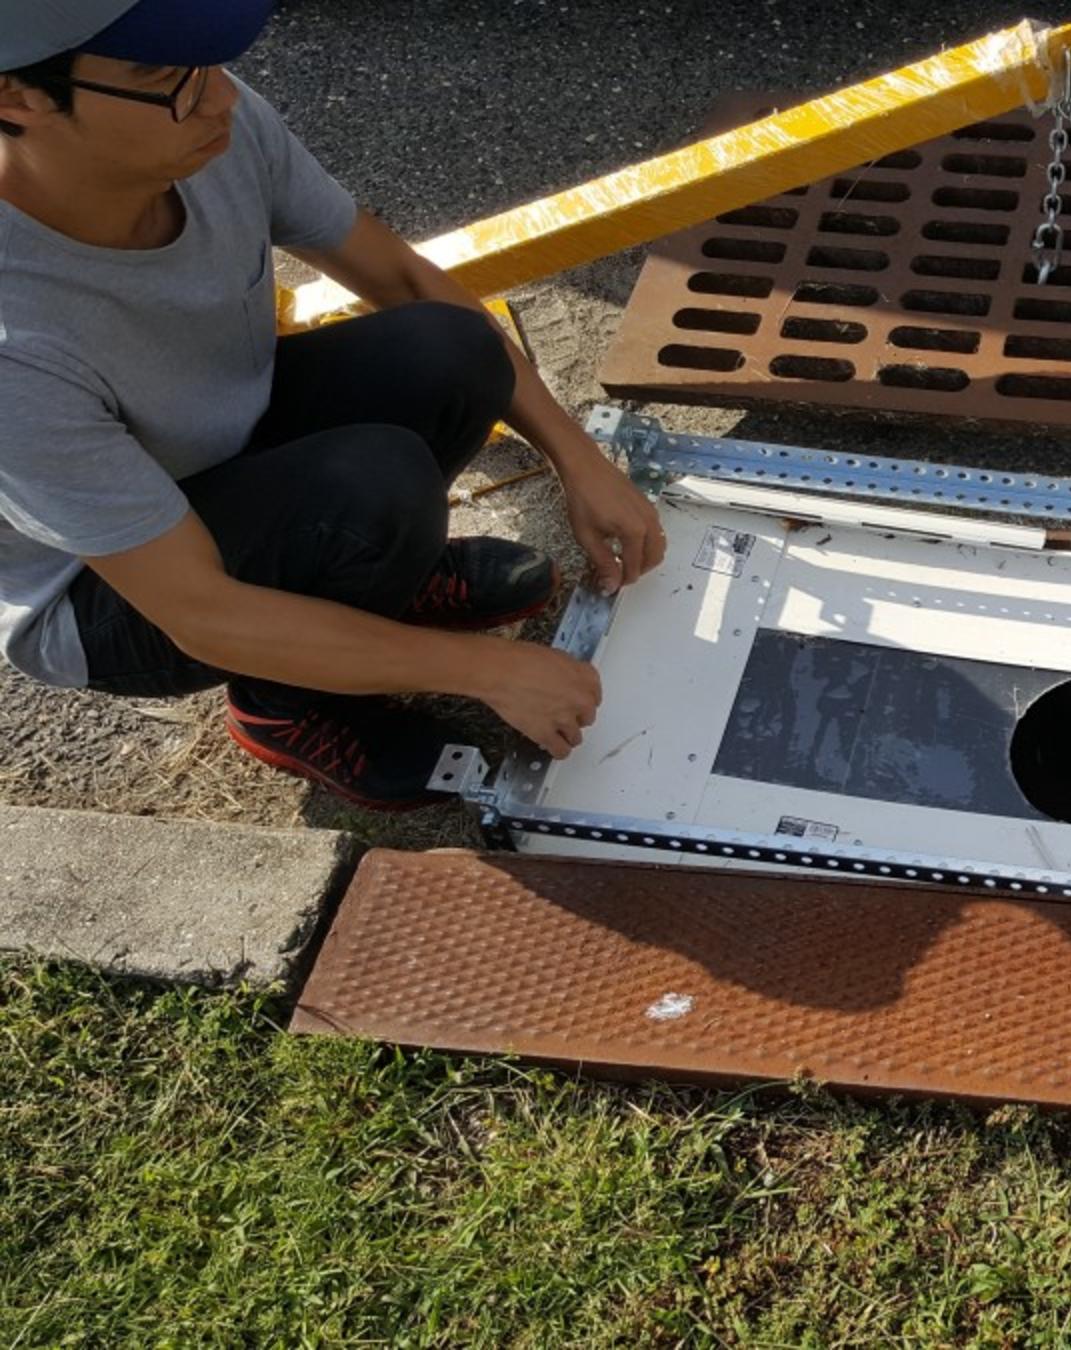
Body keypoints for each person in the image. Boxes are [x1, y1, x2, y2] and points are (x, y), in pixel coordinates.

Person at [0, 0, 667, 810]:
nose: (221, 99)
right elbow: (199, 612)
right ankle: (284, 706)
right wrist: (486, 671)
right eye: (159, 74)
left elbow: (408, 279)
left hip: (213, 452)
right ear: (16, 98)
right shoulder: (15, 342)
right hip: (108, 592)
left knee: (447, 349)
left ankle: (373, 588)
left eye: (208, 59)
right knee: (369, 486)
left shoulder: (208, 119)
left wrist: (579, 457)